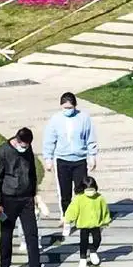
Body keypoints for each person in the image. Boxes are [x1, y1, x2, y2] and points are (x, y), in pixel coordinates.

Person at [0, 126, 50, 267]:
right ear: (17, 141)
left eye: (28, 145)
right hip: (8, 199)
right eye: (23, 145)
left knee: (32, 233)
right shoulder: (2, 152)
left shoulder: (28, 149)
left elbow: (32, 172)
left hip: (26, 199)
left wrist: (35, 194)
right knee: (6, 233)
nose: (25, 148)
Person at [42, 92, 98, 236]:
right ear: (61, 106)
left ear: (75, 106)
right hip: (62, 160)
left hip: (79, 160)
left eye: (70, 107)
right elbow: (49, 139)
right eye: (65, 107)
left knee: (81, 191)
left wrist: (92, 156)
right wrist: (48, 158)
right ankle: (66, 219)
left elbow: (90, 137)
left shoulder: (84, 118)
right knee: (65, 193)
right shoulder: (55, 120)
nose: (68, 110)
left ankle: (80, 216)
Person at [64, 175, 112, 267]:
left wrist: (106, 220)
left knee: (97, 239)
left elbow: (104, 209)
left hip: (96, 224)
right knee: (83, 242)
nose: (90, 192)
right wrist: (68, 220)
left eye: (92, 189)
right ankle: (83, 258)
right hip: (83, 224)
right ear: (83, 188)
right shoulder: (79, 199)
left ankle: (93, 251)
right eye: (88, 190)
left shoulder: (99, 198)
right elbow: (72, 210)